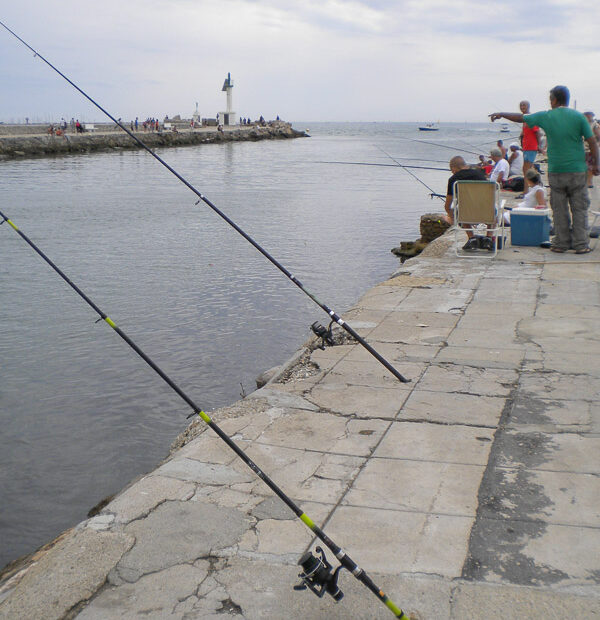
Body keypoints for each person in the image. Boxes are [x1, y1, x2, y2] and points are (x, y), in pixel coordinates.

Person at [490, 85, 600, 254]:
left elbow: (522, 118)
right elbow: (592, 142)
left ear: (554, 100)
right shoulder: (579, 117)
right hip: (577, 170)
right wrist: (597, 164)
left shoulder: (547, 116)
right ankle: (580, 244)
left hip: (556, 170)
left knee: (559, 207)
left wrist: (501, 114)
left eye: (550, 99)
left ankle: (561, 243)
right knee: (579, 208)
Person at [443, 155, 491, 250]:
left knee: (461, 209)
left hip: (466, 215)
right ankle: (488, 238)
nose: (452, 172)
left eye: (451, 170)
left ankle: (472, 238)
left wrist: (450, 215)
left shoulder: (453, 180)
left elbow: (448, 205)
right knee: (493, 210)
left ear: (454, 167)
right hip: (486, 213)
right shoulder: (480, 174)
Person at [519, 101, 539, 174]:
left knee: (526, 170)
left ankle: (527, 185)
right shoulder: (525, 119)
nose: (522, 107)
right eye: (521, 105)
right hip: (526, 147)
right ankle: (532, 184)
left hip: (531, 147)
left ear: (528, 106)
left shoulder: (531, 118)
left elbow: (537, 132)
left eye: (524, 105)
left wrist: (539, 146)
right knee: (527, 169)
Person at [583, 112, 600, 188]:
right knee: (585, 165)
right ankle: (587, 181)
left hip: (591, 148)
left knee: (590, 165)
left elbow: (598, 135)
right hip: (583, 147)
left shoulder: (594, 124)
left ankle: (589, 182)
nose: (587, 117)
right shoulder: (583, 123)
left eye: (588, 115)